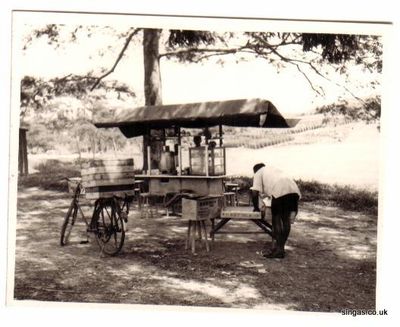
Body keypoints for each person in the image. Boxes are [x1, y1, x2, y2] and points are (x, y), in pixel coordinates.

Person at [251, 163, 301, 259]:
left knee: (276, 219)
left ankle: (279, 250)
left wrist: (256, 208)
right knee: (285, 220)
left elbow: (254, 193)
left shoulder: (258, 173)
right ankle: (281, 249)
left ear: (255, 171)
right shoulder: (272, 169)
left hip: (279, 190)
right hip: (294, 190)